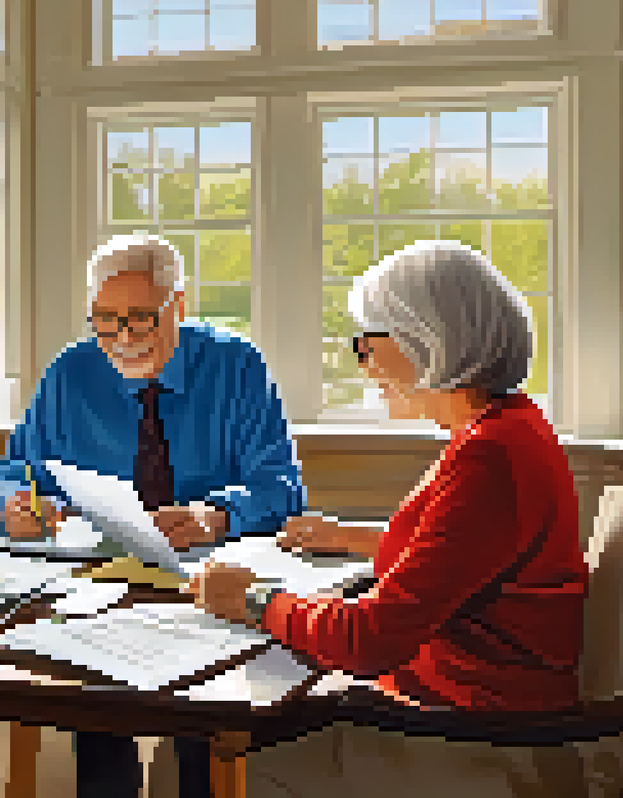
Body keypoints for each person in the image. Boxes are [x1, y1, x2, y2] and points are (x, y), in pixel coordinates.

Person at [189, 240, 591, 798]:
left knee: (195, 761)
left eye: (368, 344)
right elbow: (458, 562)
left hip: (471, 738)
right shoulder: (507, 426)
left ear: (427, 339)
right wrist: (348, 538)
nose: (363, 363)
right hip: (469, 714)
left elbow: (369, 639)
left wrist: (253, 599)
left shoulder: (488, 457)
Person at [0, 234, 308, 798]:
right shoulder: (70, 371)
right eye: (105, 320)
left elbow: (282, 487)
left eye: (140, 319)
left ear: (178, 305)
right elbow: (11, 473)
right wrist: (15, 505)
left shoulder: (236, 365)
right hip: (95, 585)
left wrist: (217, 514)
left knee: (201, 716)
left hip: (206, 588)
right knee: (92, 702)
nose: (123, 339)